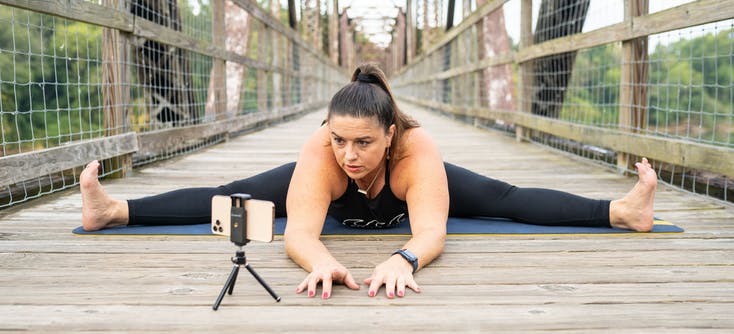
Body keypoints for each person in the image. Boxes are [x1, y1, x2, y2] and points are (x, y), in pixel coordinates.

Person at [80, 62, 657, 300]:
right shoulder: (322, 152)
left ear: (389, 134)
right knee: (237, 195)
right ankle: (112, 211)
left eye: (362, 142)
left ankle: (623, 211)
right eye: (338, 140)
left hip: (402, 192)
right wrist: (320, 262)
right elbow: (298, 233)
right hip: (332, 198)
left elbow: (432, 230)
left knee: (503, 198)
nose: (348, 155)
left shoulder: (414, 148)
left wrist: (403, 259)